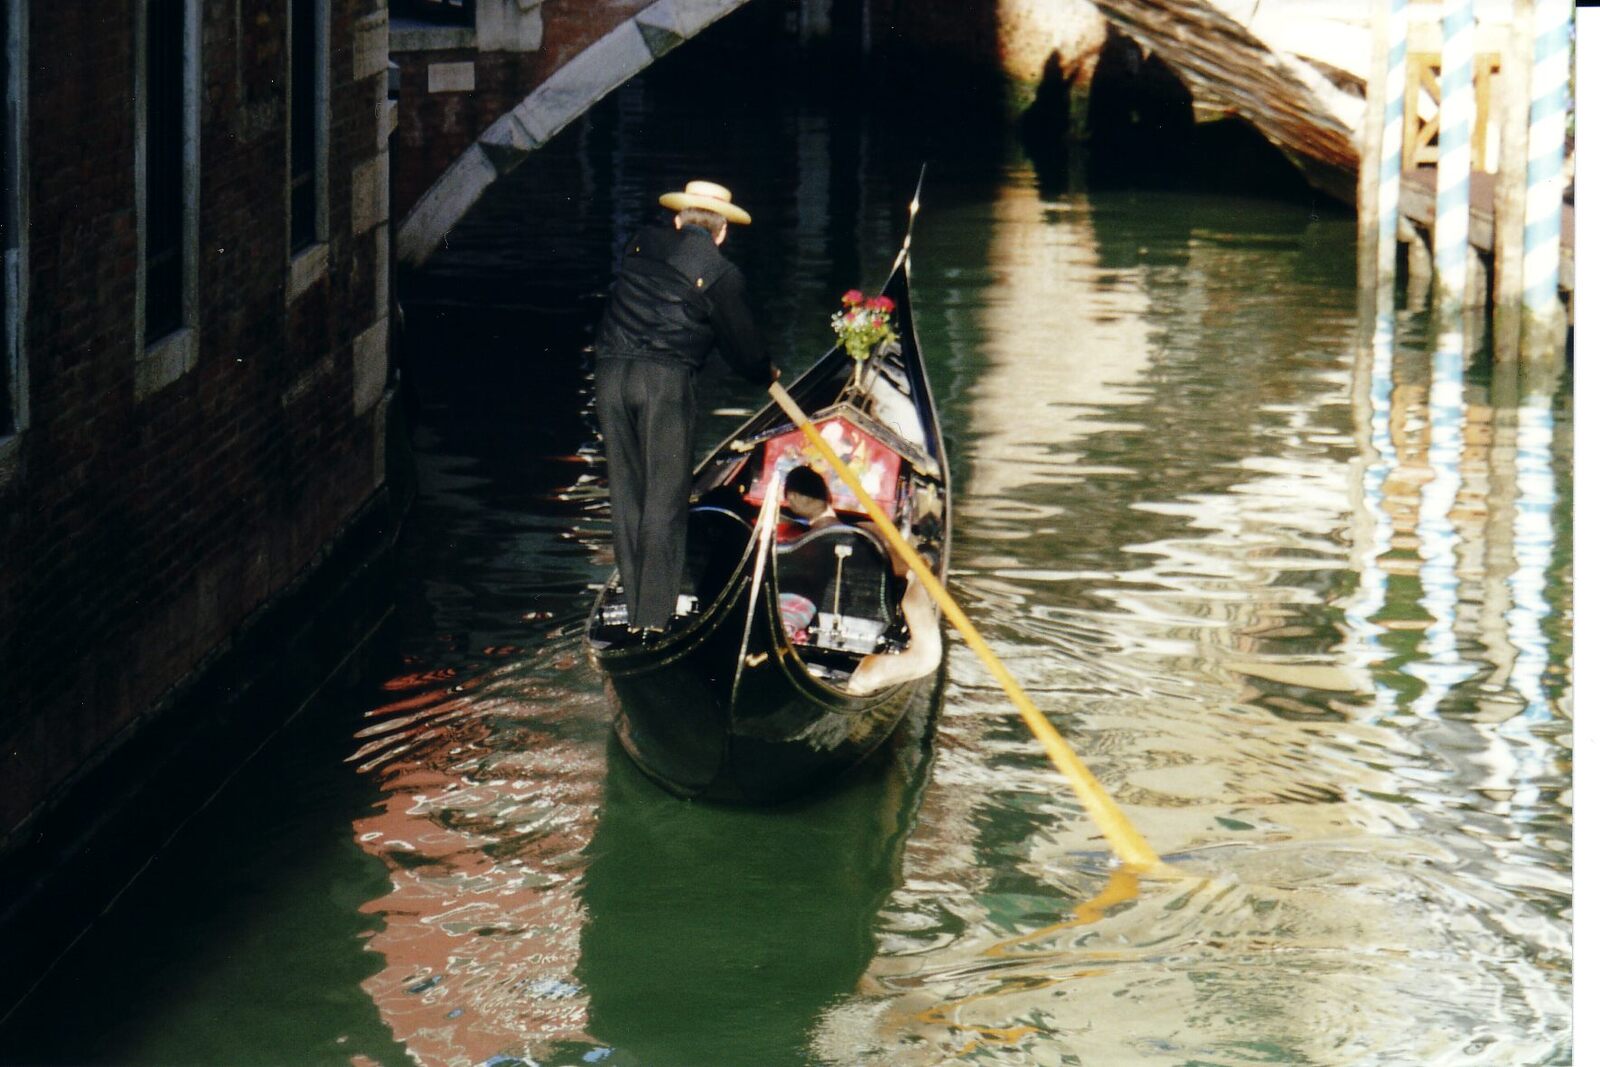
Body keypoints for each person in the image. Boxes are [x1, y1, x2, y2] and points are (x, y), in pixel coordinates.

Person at [594, 180, 779, 634]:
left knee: (627, 493)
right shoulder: (720, 272)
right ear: (721, 233)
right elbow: (744, 350)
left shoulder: (639, 243)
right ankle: (653, 621)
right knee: (665, 497)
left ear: (677, 220)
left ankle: (636, 610)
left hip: (610, 374)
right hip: (663, 383)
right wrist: (765, 374)